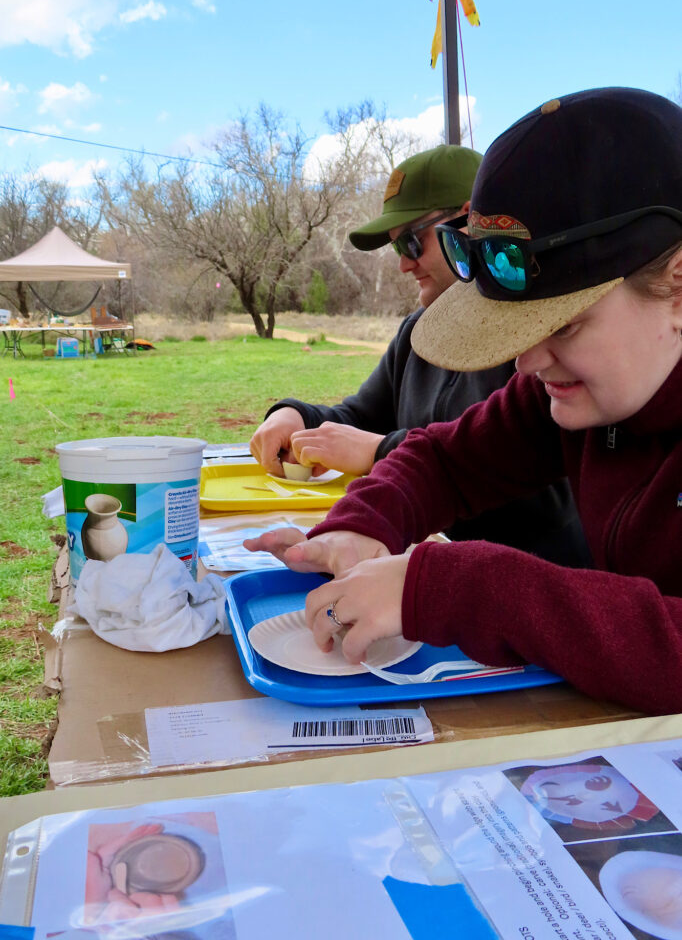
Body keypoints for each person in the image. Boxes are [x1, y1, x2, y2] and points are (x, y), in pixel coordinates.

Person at [245, 87, 682, 714]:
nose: (526, 362)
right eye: (515, 332)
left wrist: (459, 586)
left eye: (561, 325)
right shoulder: (569, 401)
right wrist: (360, 525)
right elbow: (444, 459)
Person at [249, 144, 588, 565]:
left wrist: (379, 451)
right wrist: (293, 416)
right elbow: (366, 420)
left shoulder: (533, 337)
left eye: (412, 242)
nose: (404, 266)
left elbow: (548, 497)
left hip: (525, 578)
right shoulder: (416, 334)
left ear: (468, 224)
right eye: (397, 249)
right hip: (426, 564)